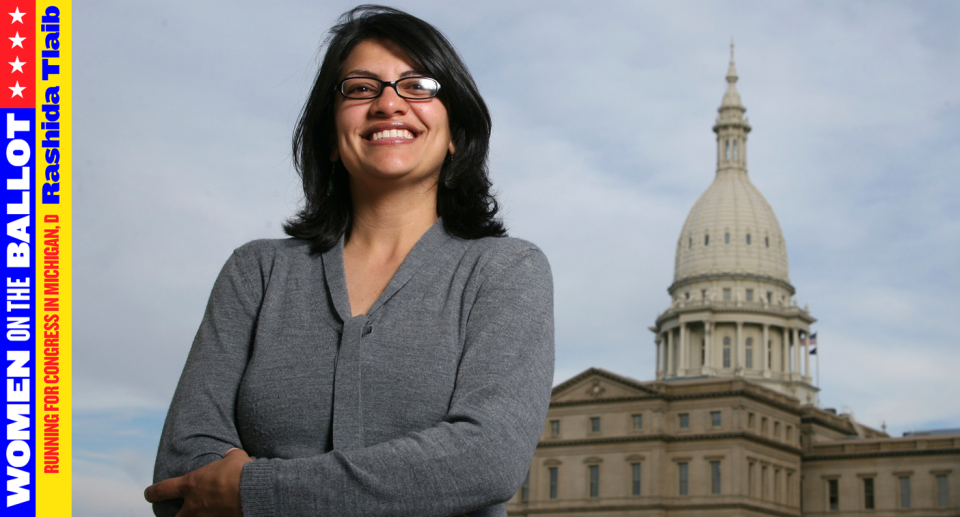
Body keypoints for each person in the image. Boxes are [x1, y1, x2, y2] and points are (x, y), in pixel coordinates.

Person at [145, 5, 554, 517]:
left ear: (455, 133)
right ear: (330, 137)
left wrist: (253, 491)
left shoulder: (507, 270)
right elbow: (183, 466)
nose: (388, 103)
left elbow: (486, 459)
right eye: (360, 88)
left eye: (418, 85)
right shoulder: (256, 272)